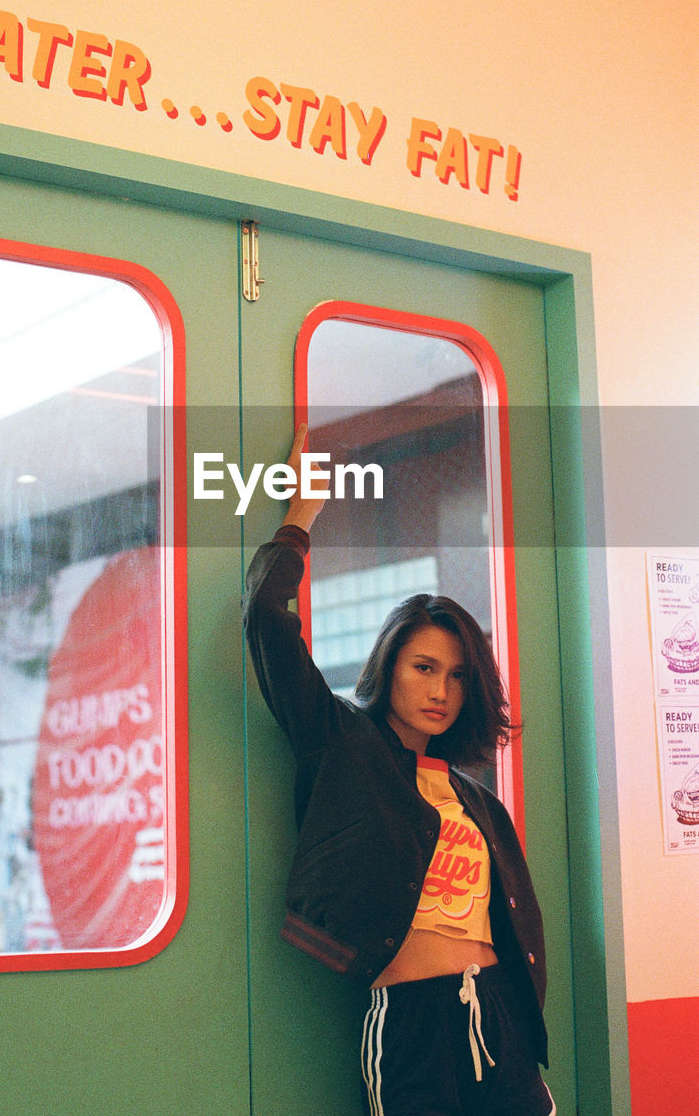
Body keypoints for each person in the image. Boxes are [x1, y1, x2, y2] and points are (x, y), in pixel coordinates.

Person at [243, 426, 555, 1116]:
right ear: (388, 666)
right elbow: (266, 617)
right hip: (411, 1024)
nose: (440, 689)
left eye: (455, 676)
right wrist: (300, 516)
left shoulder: (476, 800)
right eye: (423, 668)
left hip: (501, 1017)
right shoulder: (342, 745)